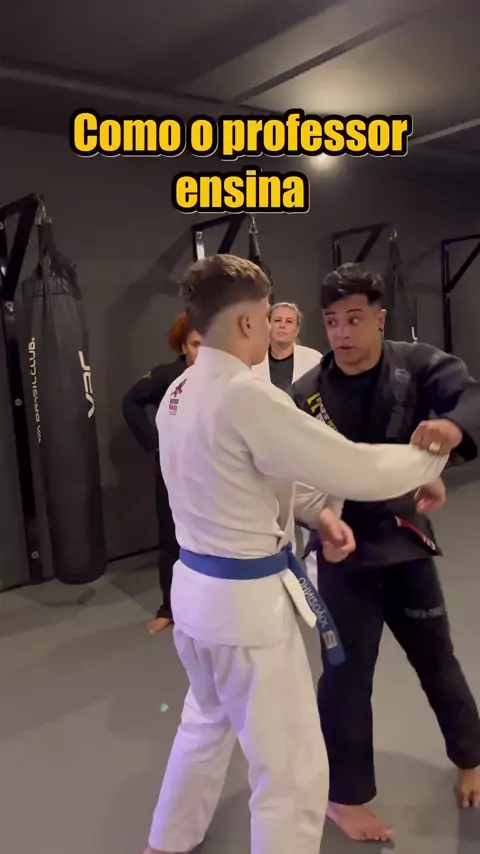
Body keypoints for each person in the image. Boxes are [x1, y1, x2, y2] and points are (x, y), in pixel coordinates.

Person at [142, 254, 448, 854]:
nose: (272, 326)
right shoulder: (246, 397)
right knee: (291, 768)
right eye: (266, 315)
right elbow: (356, 468)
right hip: (245, 612)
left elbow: (252, 476)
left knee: (205, 722)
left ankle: (166, 843)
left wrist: (318, 514)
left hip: (196, 598)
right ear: (248, 322)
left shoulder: (181, 390)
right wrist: (430, 457)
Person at [289, 262, 480, 843]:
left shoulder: (417, 365)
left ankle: (471, 757)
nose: (341, 332)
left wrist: (451, 430)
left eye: (354, 319)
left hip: (404, 540)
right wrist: (317, 520)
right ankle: (344, 797)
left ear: (379, 317)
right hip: (341, 550)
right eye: (331, 321)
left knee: (437, 660)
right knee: (345, 679)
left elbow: (469, 396)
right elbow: (291, 478)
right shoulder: (305, 393)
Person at [122, 313, 202, 634]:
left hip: (211, 471)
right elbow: (131, 402)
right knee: (172, 537)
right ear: (183, 346)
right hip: (173, 470)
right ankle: (169, 607)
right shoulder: (167, 375)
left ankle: (210, 605)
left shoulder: (224, 377)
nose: (202, 351)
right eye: (195, 344)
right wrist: (155, 443)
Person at [251, 301, 321, 390]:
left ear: (297, 330)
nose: (282, 325)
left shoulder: (314, 359)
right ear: (268, 326)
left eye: (289, 321)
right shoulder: (253, 360)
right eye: (277, 320)